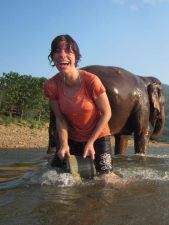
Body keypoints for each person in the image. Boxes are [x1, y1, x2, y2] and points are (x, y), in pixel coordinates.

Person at [44, 34, 116, 178]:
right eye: (57, 51)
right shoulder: (51, 85)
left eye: (68, 51)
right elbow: (60, 119)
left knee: (106, 179)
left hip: (99, 137)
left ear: (76, 56)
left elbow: (107, 113)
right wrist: (64, 144)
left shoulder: (91, 81)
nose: (62, 55)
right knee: (53, 175)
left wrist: (91, 142)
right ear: (53, 57)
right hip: (72, 138)